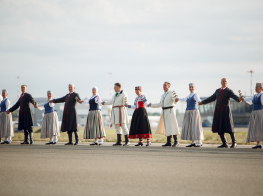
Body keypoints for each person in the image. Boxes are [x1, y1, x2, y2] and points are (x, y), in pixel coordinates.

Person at [198, 78, 242, 148]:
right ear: (221, 82)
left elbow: (235, 97)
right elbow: (211, 98)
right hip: (218, 111)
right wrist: (202, 102)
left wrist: (238, 99)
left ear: (227, 83)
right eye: (223, 81)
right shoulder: (217, 91)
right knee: (219, 127)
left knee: (230, 127)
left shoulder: (229, 90)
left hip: (226, 111)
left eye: (225, 81)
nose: (224, 82)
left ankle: (234, 142)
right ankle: (224, 143)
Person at [148, 82, 180, 147]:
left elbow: (175, 99)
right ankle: (169, 142)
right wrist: (151, 105)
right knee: (167, 127)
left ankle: (176, 141)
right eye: (163, 85)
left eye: (165, 85)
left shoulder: (171, 92)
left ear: (169, 86)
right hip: (164, 111)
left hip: (170, 111)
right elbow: (160, 104)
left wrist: (176, 100)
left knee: (172, 126)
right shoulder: (162, 95)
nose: (164, 86)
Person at [242, 83, 263, 149]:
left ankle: (259, 144)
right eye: (255, 87)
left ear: (261, 88)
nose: (255, 89)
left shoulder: (262, 95)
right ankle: (258, 144)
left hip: (260, 112)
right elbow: (250, 100)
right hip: (254, 112)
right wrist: (243, 99)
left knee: (260, 128)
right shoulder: (255, 95)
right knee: (256, 128)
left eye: (257, 87)